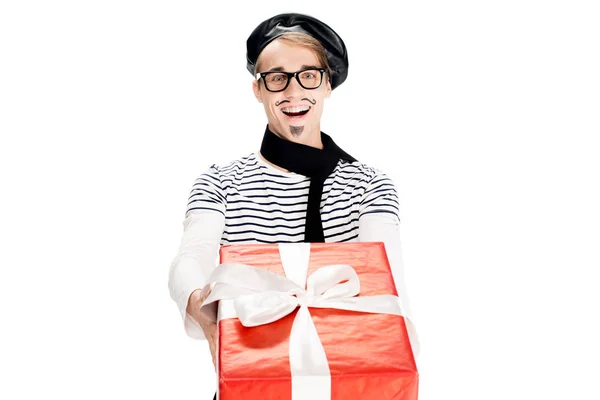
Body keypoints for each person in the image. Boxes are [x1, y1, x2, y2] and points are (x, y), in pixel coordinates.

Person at [168, 13, 418, 398]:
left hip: (350, 383)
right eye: (277, 77)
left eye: (308, 75)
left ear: (327, 84)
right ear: (259, 90)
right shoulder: (220, 180)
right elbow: (192, 257)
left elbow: (386, 281)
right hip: (252, 378)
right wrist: (201, 308)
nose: (293, 91)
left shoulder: (370, 185)